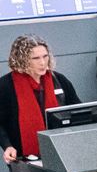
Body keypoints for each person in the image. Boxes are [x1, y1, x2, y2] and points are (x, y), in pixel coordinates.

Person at [0, 34, 79, 163]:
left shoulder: (59, 80)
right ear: (21, 59)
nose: (42, 63)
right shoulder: (5, 85)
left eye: (45, 56)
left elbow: (78, 110)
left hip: (65, 150)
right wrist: (7, 145)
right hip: (23, 157)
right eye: (35, 58)